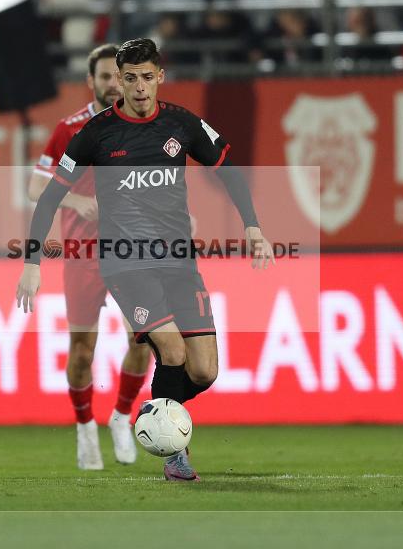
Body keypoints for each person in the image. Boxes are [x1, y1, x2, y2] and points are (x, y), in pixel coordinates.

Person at [17, 38, 275, 482]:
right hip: (125, 263)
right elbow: (48, 198)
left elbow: (228, 169)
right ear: (119, 80)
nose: (139, 88)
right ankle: (174, 453)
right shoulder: (95, 134)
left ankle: (153, 411)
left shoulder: (182, 124)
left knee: (205, 370)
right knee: (171, 350)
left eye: (147, 77)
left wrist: (252, 225)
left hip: (179, 261)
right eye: (130, 78)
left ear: (161, 77)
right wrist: (32, 263)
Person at [27, 44, 150, 470]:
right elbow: (34, 190)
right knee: (82, 352)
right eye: (104, 77)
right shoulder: (69, 130)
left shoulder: (142, 126)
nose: (113, 84)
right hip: (83, 256)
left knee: (145, 338)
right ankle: (84, 428)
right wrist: (75, 203)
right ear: (90, 82)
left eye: (119, 76)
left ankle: (121, 415)